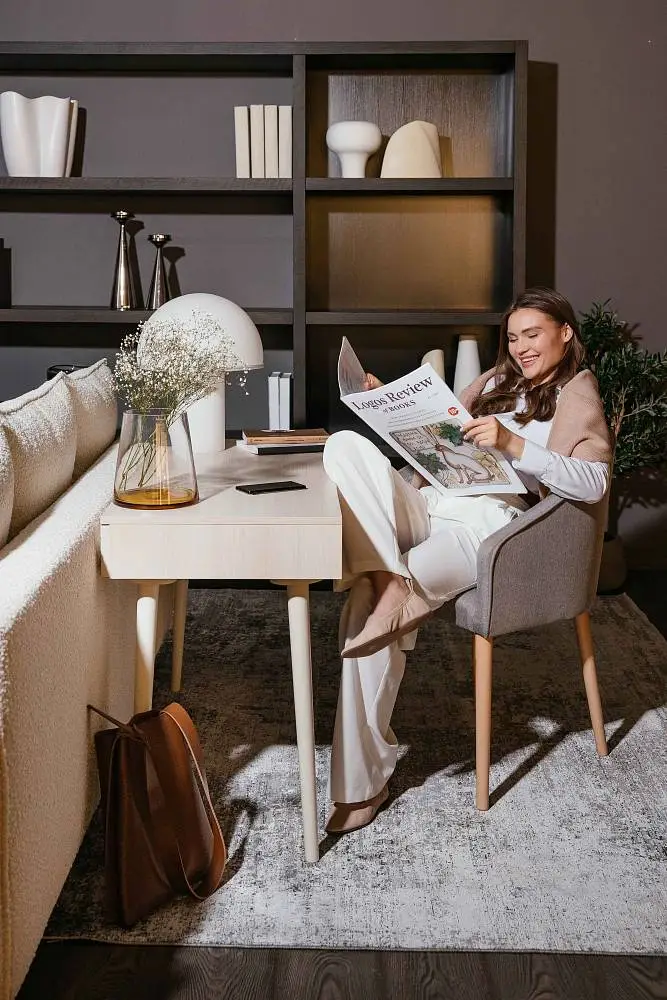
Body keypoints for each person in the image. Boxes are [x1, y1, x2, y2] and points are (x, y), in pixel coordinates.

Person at [322, 287, 613, 834]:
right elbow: (438, 442)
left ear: (565, 333)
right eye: (513, 337)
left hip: (488, 524)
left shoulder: (577, 394)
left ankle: (361, 786)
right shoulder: (497, 384)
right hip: (432, 499)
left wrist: (515, 445)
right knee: (344, 446)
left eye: (533, 334)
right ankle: (391, 576)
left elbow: (594, 483)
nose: (521, 347)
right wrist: (390, 407)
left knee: (363, 607)